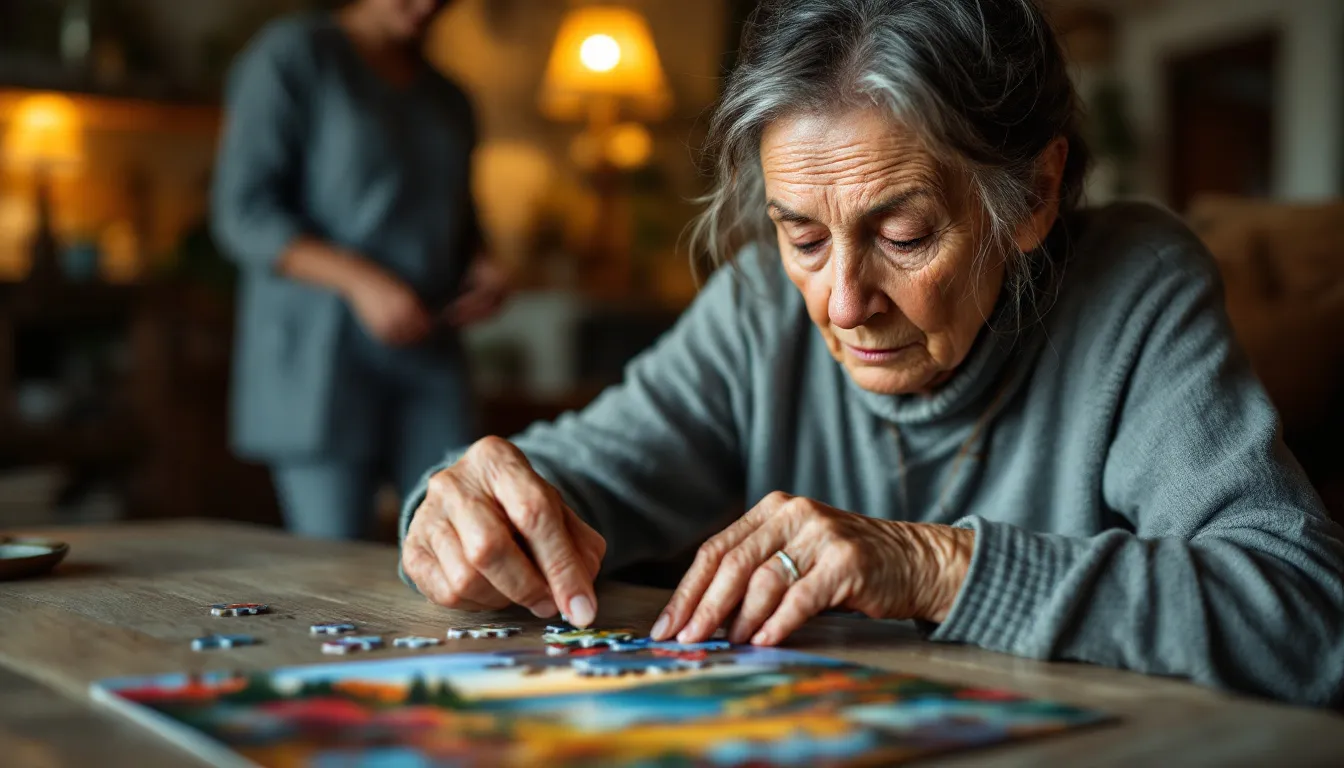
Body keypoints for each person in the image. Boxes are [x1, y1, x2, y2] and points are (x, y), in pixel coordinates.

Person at [398, 0, 1344, 706]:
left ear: (1037, 194)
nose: (841, 304)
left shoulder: (1136, 286)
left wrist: (935, 566)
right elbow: (569, 477)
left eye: (903, 234)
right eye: (802, 237)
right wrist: (460, 511)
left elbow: (1309, 613)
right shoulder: (759, 309)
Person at [212, 0, 509, 540]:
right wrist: (361, 281)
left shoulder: (450, 97)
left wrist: (484, 265)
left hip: (430, 350)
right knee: (333, 563)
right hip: (320, 357)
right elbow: (242, 213)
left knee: (461, 540)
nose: (425, 7)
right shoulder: (294, 58)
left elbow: (461, 215)